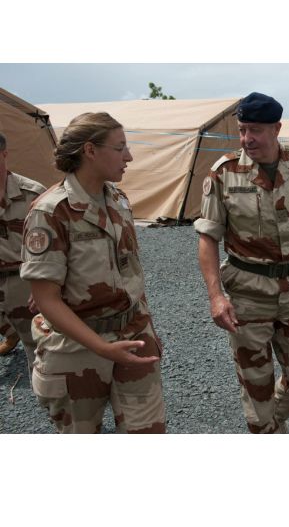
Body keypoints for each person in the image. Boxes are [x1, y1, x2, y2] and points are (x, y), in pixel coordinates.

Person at [195, 92, 289, 433]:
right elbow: (207, 238)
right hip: (247, 292)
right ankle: (264, 427)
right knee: (256, 384)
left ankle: (266, 425)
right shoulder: (225, 174)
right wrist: (216, 296)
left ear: (277, 129)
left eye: (256, 130)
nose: (248, 138)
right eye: (243, 129)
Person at [20, 112, 165, 434]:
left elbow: (131, 272)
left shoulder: (118, 200)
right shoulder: (51, 212)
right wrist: (101, 348)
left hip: (133, 337)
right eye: (120, 147)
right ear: (90, 151)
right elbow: (46, 299)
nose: (129, 156)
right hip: (76, 349)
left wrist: (149, 331)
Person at [0, 131, 46, 368]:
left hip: (23, 280)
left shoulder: (33, 195)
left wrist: (44, 286)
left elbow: (57, 246)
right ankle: (10, 332)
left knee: (38, 352)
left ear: (4, 154)